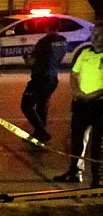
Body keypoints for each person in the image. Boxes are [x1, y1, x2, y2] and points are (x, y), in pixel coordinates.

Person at [53, 23, 103, 186]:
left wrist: (92, 95)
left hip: (99, 104)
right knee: (77, 140)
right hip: (81, 103)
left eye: (100, 34)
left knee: (98, 144)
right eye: (94, 34)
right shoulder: (85, 53)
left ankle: (97, 178)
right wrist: (77, 93)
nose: (95, 38)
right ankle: (75, 172)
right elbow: (74, 74)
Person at [20, 17, 68, 142]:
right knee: (42, 105)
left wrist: (26, 58)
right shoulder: (63, 41)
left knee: (26, 105)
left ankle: (41, 131)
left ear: (46, 27)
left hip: (40, 78)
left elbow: (31, 61)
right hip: (53, 77)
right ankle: (40, 132)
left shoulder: (44, 42)